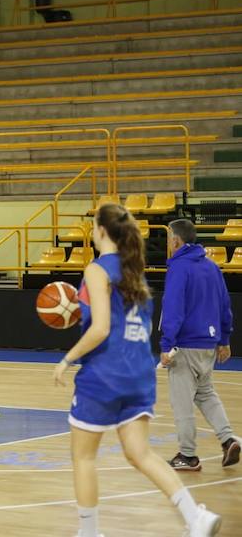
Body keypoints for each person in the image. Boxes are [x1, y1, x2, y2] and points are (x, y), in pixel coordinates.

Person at [53, 203, 221, 537]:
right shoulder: (135, 271)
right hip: (139, 374)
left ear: (100, 231)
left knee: (84, 458)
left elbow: (100, 329)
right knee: (140, 453)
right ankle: (194, 517)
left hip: (104, 374)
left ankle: (89, 533)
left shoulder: (97, 270)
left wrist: (66, 358)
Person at [160, 218, 239, 471]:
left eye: (169, 238)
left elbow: (173, 309)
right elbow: (224, 305)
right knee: (205, 394)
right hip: (208, 343)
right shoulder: (211, 266)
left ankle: (188, 455)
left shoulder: (179, 268)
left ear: (176, 240)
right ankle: (228, 440)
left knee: (182, 402)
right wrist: (224, 339)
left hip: (185, 345)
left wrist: (166, 344)